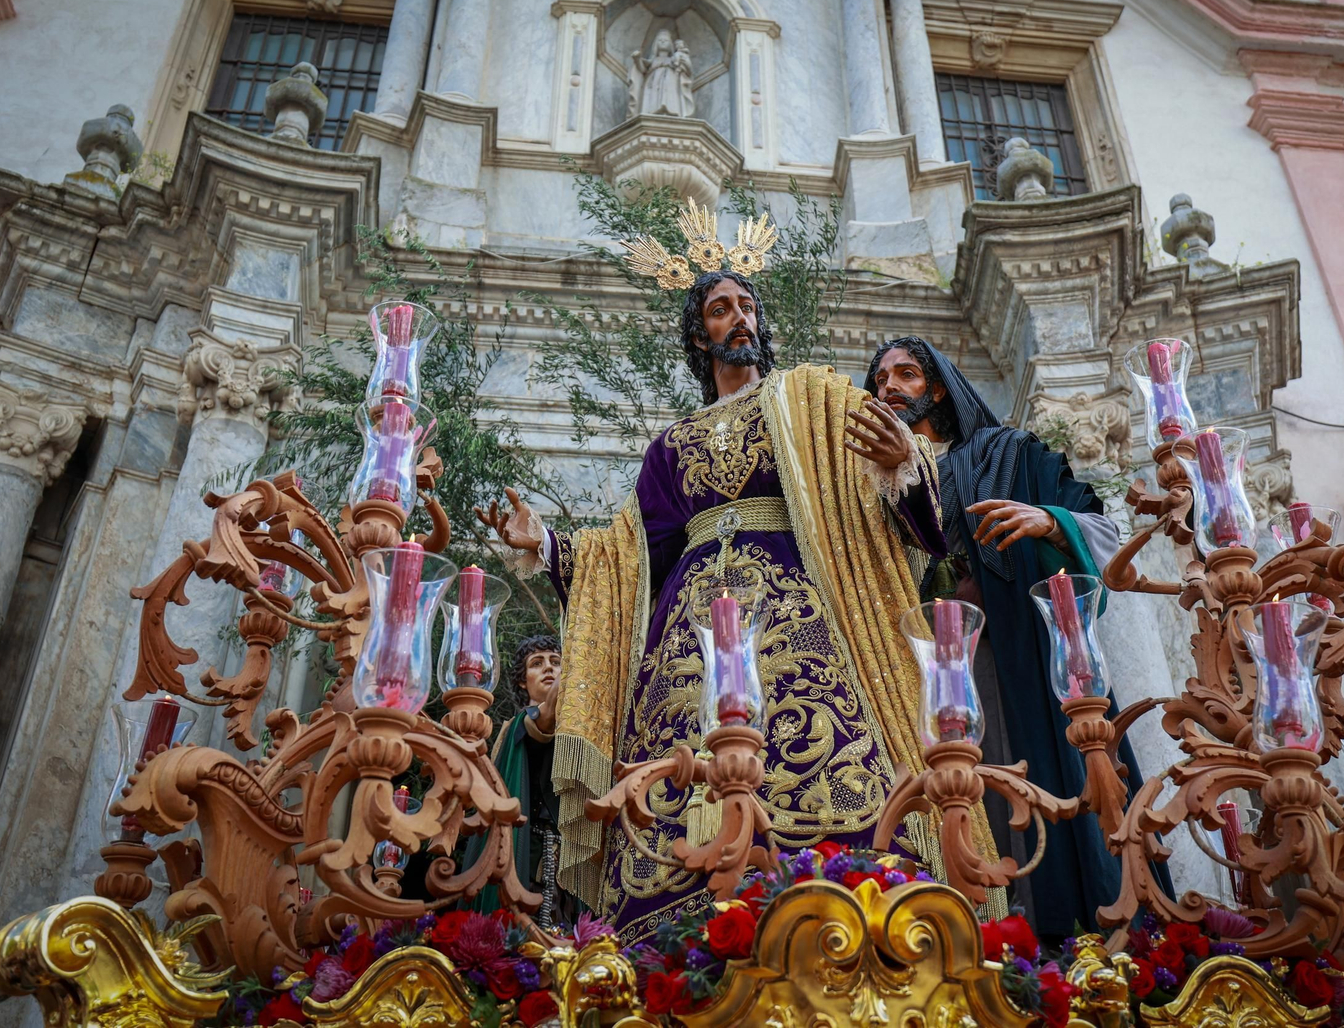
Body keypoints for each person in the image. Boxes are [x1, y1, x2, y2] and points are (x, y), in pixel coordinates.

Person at [483, 213, 1002, 941]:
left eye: (748, 305)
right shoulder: (671, 446)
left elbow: (907, 516)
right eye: (721, 308)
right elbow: (635, 553)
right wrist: (547, 543)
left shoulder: (812, 401)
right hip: (688, 637)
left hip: (800, 623)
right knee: (678, 773)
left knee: (826, 769)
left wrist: (898, 464)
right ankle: (679, 936)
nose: (739, 317)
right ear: (700, 335)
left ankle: (842, 905)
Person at [865, 335, 1167, 939]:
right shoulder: (871, 492)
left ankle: (1052, 948)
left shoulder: (1008, 454)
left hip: (1009, 664)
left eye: (906, 375)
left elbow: (1102, 535)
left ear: (941, 387)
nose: (889, 388)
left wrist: (1049, 522)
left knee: (1021, 797)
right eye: (879, 382)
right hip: (906, 679)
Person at [468, 635, 584, 925]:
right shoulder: (520, 725)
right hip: (525, 863)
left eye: (556, 663)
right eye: (537, 663)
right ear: (523, 680)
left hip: (569, 873)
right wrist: (578, 664)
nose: (549, 668)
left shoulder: (581, 739)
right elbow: (544, 719)